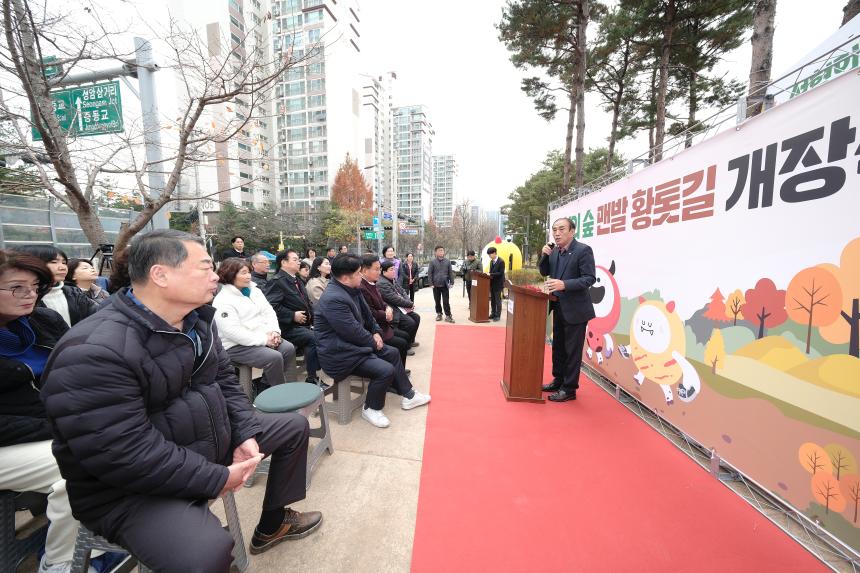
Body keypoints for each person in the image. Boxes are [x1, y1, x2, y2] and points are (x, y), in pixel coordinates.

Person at [40, 230, 322, 572]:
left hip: (204, 440)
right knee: (205, 553)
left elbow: (224, 381)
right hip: (131, 486)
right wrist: (216, 478)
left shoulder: (197, 320)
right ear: (160, 275)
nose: (216, 276)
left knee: (292, 426)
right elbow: (124, 453)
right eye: (205, 267)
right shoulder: (93, 351)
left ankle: (273, 524)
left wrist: (245, 432)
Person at [0, 250, 91, 573]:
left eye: (35, 287)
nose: (30, 295)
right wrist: (61, 425)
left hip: (54, 427)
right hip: (13, 441)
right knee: (81, 462)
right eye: (17, 287)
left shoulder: (42, 321)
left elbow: (80, 367)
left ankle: (105, 539)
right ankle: (61, 562)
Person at [314, 254, 430, 428]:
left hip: (354, 346)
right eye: (358, 273)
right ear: (345, 278)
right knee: (385, 370)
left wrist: (376, 332)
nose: (361, 276)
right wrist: (373, 341)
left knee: (393, 352)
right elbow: (352, 331)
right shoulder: (333, 299)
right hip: (339, 354)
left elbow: (368, 316)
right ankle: (371, 408)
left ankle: (409, 396)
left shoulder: (353, 288)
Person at [213, 258, 297, 393]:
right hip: (235, 345)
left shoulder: (254, 290)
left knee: (288, 348)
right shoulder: (223, 300)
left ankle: (264, 387)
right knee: (273, 358)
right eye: (243, 273)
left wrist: (274, 331)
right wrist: (265, 340)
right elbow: (232, 332)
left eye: (248, 272)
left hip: (261, 336)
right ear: (230, 275)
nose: (248, 276)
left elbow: (268, 312)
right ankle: (280, 394)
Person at [539, 218, 596, 402]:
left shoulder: (583, 250)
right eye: (554, 229)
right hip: (558, 306)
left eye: (561, 229)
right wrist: (544, 255)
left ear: (572, 231)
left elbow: (589, 278)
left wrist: (564, 284)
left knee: (572, 351)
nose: (557, 233)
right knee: (558, 348)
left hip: (576, 310)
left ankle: (569, 388)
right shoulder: (555, 251)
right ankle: (558, 380)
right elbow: (544, 271)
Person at [264, 249, 322, 385]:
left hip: (303, 325)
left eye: (298, 259)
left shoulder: (297, 280)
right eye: (295, 259)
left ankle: (316, 371)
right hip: (287, 327)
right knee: (314, 338)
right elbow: (270, 307)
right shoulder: (277, 281)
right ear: (284, 262)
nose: (299, 262)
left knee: (324, 333)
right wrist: (292, 315)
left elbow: (306, 302)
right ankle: (312, 377)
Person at [13, 245, 97, 327]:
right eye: (53, 262)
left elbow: (96, 317)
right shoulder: (20, 298)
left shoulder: (73, 292)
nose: (63, 267)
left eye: (64, 263)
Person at [359, 256, 413, 369]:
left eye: (379, 269)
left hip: (384, 322)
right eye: (376, 269)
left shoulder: (372, 283)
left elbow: (383, 301)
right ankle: (398, 371)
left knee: (405, 336)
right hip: (377, 327)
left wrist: (388, 308)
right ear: (364, 271)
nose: (379, 272)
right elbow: (370, 312)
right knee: (402, 342)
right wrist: (386, 314)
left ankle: (399, 370)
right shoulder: (363, 287)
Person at [377, 260, 420, 348]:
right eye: (391, 269)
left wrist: (409, 302)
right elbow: (394, 299)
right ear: (384, 272)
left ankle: (411, 341)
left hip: (401, 307)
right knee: (410, 323)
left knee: (416, 317)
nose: (394, 271)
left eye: (394, 269)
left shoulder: (392, 279)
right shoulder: (381, 283)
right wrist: (409, 304)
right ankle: (406, 345)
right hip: (394, 308)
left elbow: (402, 291)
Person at [428, 245, 455, 323]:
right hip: (435, 285)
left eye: (442, 250)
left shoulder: (447, 261)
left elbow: (450, 272)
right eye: (439, 250)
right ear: (436, 252)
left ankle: (448, 315)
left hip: (445, 284)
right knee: (437, 301)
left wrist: (452, 282)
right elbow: (430, 273)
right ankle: (439, 314)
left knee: (446, 301)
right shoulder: (432, 262)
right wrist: (431, 283)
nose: (441, 252)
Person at [487, 247, 506, 321]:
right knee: (493, 300)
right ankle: (493, 313)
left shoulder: (501, 261)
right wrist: (488, 274)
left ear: (494, 253)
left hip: (498, 284)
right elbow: (491, 271)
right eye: (488, 255)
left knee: (498, 300)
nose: (489, 256)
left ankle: (498, 315)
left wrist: (490, 274)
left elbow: (501, 273)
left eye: (490, 254)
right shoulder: (491, 261)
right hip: (492, 283)